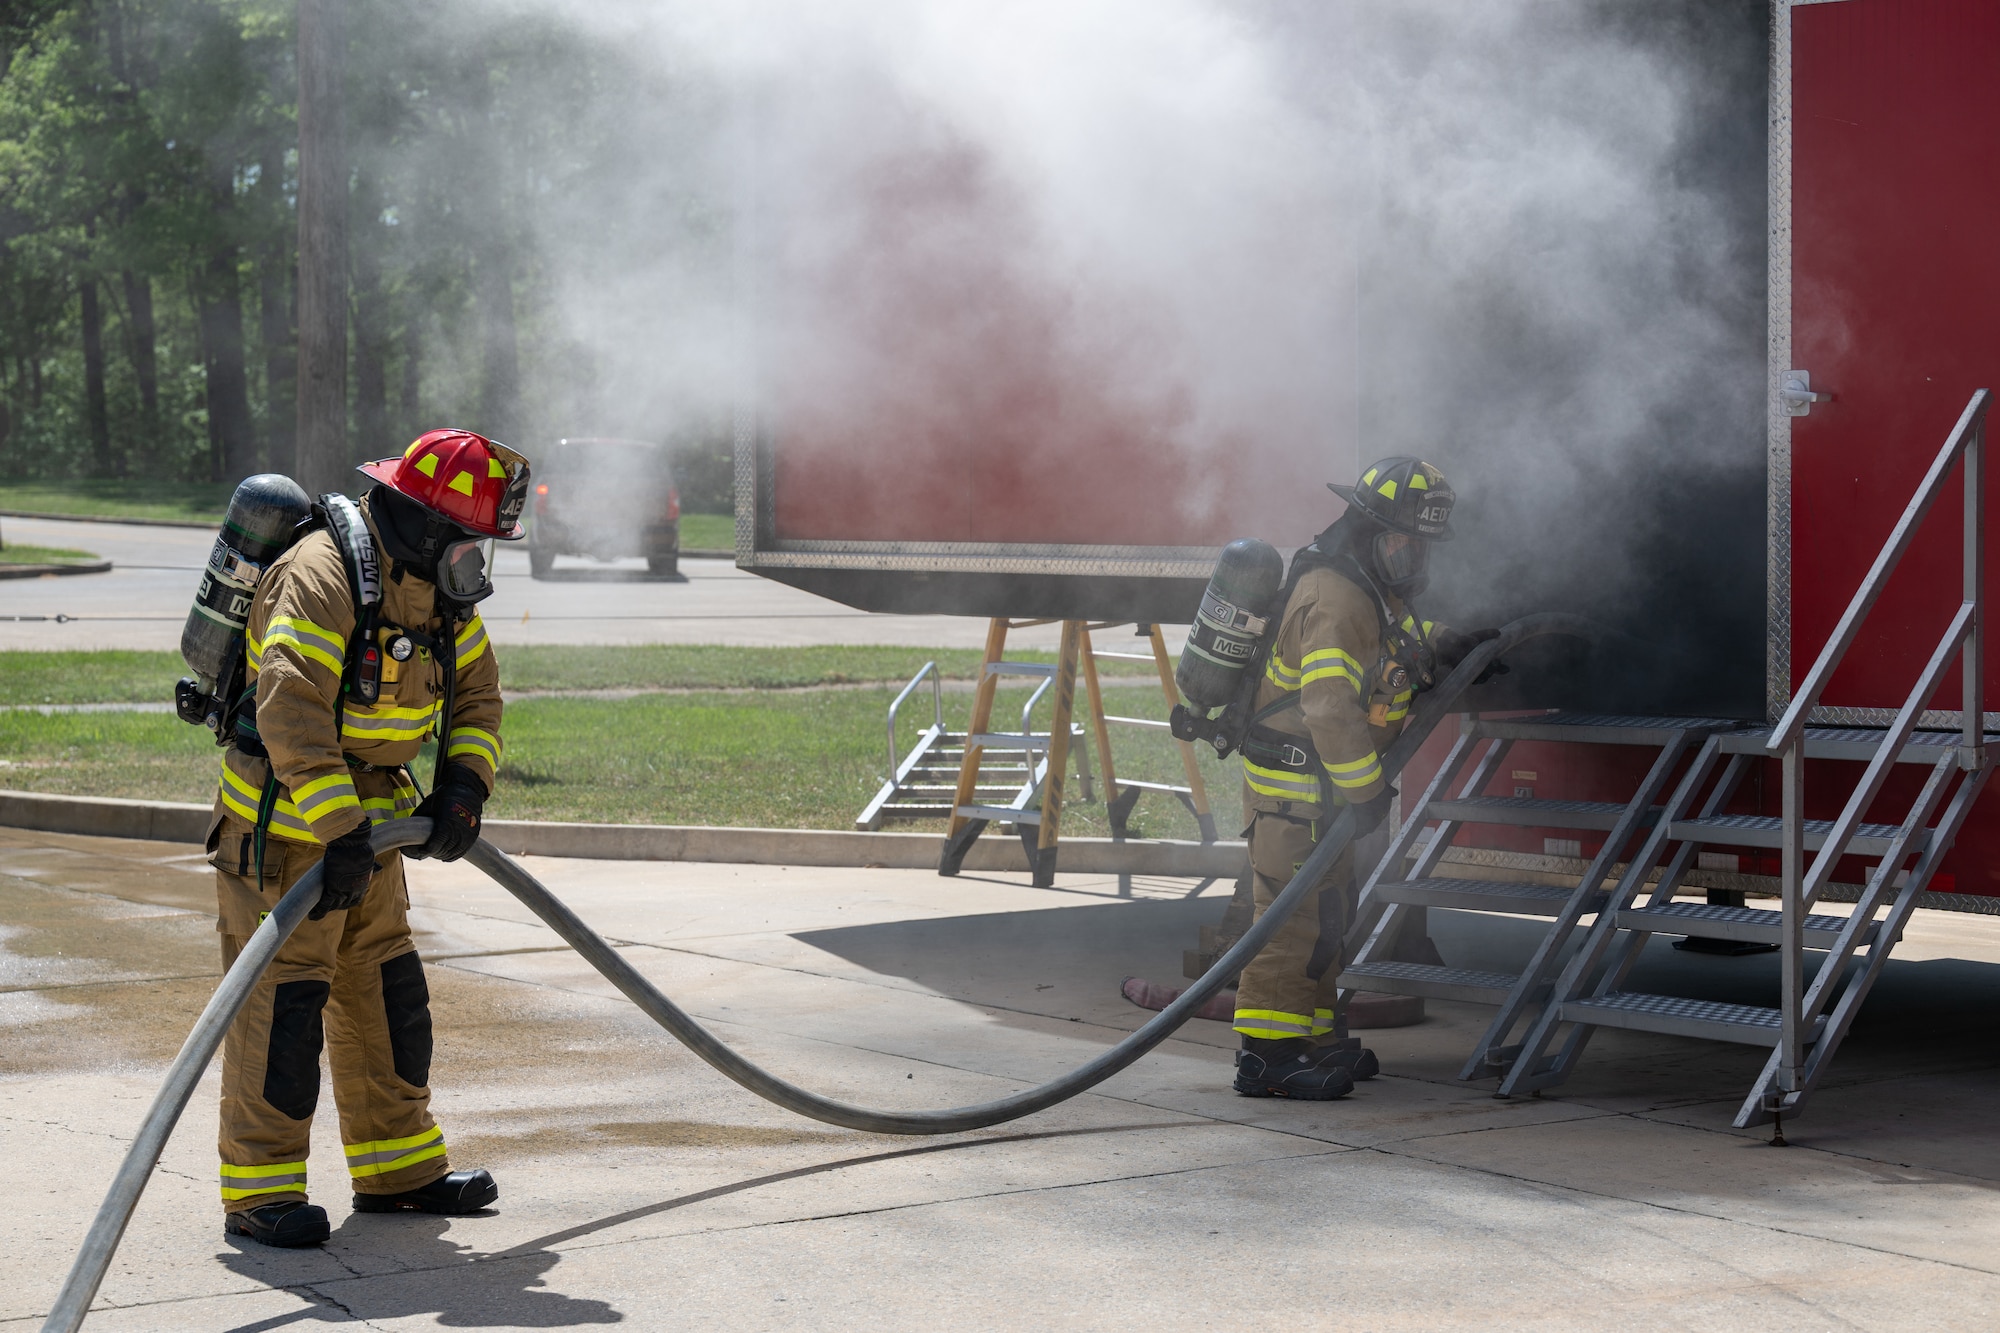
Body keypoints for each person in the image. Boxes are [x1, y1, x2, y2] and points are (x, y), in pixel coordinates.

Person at [208, 429, 530, 1246]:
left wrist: (462, 784)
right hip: (284, 841)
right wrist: (340, 827)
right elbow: (289, 708)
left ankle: (397, 1170)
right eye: (469, 544)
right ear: (424, 524)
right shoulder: (318, 576)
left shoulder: (435, 588)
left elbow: (480, 694)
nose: (475, 566)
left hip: (371, 837)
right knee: (282, 1012)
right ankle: (260, 1191)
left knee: (387, 998)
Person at [1230, 456, 1496, 1100]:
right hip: (1295, 794)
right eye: (1402, 543)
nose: (1411, 558)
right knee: (1288, 923)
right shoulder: (1336, 596)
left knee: (1325, 917)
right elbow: (1329, 706)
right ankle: (1266, 1057)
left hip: (1320, 799)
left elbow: (1392, 649)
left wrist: (1447, 645)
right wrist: (1367, 791)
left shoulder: (1367, 589)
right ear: (1366, 529)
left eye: (1419, 547)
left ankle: (1316, 1041)